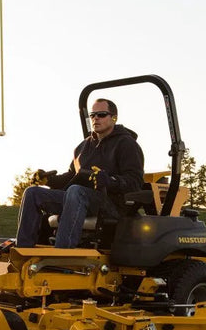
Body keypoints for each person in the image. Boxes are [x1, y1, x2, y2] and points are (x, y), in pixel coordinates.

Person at [11, 97, 145, 249]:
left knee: (75, 191)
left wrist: (109, 180)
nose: (95, 118)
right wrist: (48, 181)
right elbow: (71, 176)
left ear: (114, 117)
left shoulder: (126, 144)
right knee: (33, 193)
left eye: (101, 114)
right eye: (92, 115)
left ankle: (63, 252)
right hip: (78, 198)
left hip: (110, 202)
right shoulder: (83, 147)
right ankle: (23, 249)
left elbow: (134, 181)